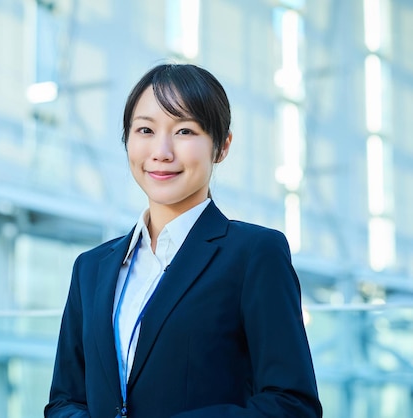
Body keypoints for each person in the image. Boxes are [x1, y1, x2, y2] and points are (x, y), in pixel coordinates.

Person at [44, 63, 322, 417]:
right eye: (145, 129)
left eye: (185, 131)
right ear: (127, 139)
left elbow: (291, 404)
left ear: (222, 147)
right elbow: (65, 400)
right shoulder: (92, 268)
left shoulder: (254, 254)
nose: (161, 151)